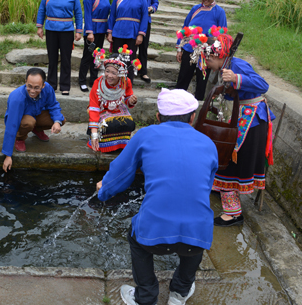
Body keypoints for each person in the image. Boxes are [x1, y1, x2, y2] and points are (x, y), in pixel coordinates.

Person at [96, 88, 218, 305]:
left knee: (135, 236)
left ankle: (146, 296)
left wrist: (104, 190)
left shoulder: (145, 135)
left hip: (152, 237)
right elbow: (204, 187)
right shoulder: (208, 143)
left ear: (158, 117)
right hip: (197, 239)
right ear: (192, 117)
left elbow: (120, 174)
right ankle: (179, 294)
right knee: (198, 229)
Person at [198, 33, 275, 227]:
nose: (205, 61)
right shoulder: (221, 68)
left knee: (228, 161)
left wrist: (237, 78)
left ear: (217, 55)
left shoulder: (236, 65)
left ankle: (232, 213)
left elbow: (263, 85)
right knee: (225, 156)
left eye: (207, 57)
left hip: (251, 121)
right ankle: (223, 192)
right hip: (238, 117)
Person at [2, 68, 65, 172]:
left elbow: (53, 105)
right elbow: (11, 125)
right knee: (28, 123)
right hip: (21, 120)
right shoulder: (17, 97)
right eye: (29, 86)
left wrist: (57, 122)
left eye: (37, 88)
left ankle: (37, 129)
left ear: (43, 85)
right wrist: (8, 155)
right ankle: (20, 138)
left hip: (37, 114)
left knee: (60, 120)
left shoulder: (48, 89)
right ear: (26, 82)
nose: (32, 91)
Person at [175, 0, 227, 100]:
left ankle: (198, 107)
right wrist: (179, 48)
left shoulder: (219, 12)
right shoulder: (195, 9)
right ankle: (176, 102)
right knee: (183, 78)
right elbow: (185, 28)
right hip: (189, 49)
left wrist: (216, 52)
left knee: (202, 81)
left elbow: (222, 35)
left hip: (206, 53)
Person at [36, 0, 83, 95]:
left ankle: (65, 86)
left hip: (67, 30)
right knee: (52, 58)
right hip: (51, 28)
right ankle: (51, 85)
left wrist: (78, 31)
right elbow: (42, 9)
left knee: (66, 58)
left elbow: (78, 13)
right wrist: (39, 26)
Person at [87, 51, 138, 152]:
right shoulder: (98, 83)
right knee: (107, 125)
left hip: (118, 107)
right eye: (107, 71)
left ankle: (122, 144)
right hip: (101, 108)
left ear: (121, 73)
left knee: (128, 123)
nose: (109, 75)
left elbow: (127, 98)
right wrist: (94, 134)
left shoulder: (125, 82)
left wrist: (131, 101)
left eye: (114, 73)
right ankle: (102, 143)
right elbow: (94, 107)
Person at [107, 0, 148, 82]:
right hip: (118, 32)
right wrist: (110, 32)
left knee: (130, 59)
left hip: (133, 33)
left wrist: (141, 34)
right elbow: (112, 15)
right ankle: (115, 82)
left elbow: (145, 16)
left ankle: (127, 84)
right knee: (116, 58)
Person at [79, 0, 110, 92]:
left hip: (101, 30)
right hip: (92, 30)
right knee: (87, 56)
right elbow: (87, 14)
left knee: (98, 56)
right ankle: (82, 81)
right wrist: (89, 32)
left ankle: (93, 80)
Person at [132, 0, 158, 84]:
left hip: (146, 21)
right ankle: (130, 69)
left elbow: (155, 2)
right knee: (132, 46)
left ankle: (143, 71)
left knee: (144, 47)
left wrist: (151, 8)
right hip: (133, 21)